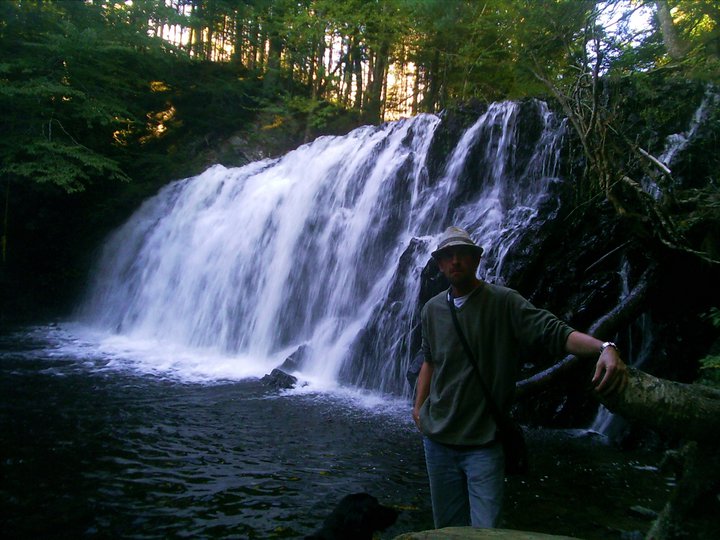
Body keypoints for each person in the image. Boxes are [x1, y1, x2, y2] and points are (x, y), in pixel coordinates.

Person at [412, 226, 628, 529]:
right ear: (439, 264)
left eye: (462, 254)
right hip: (437, 441)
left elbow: (555, 332)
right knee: (446, 529)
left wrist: (603, 347)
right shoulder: (432, 310)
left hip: (484, 443)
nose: (455, 261)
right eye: (448, 256)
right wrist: (418, 406)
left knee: (487, 530)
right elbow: (430, 360)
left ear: (476, 260)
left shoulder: (504, 302)